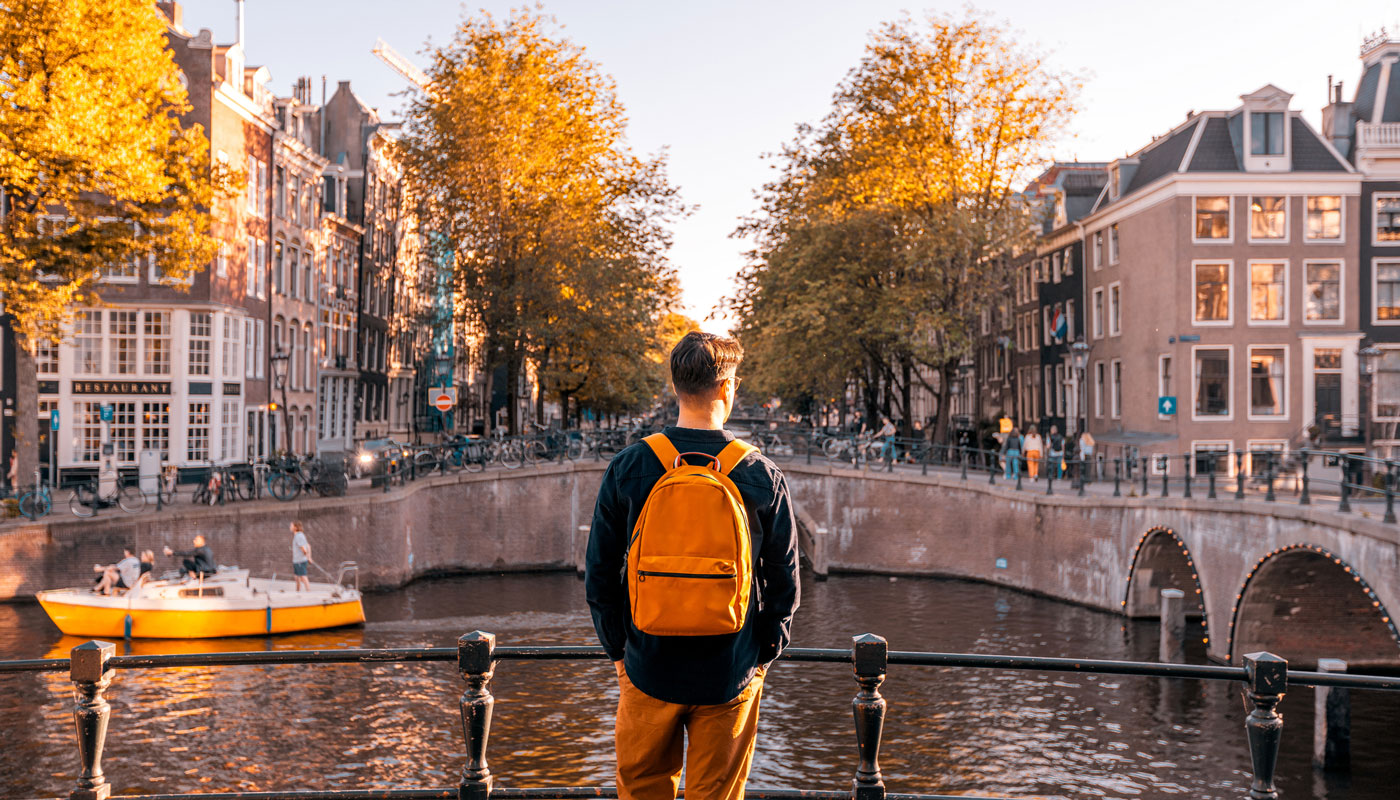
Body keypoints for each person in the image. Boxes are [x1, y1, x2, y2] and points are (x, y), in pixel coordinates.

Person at [585, 331, 800, 800]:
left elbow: (599, 573)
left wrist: (620, 652)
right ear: (728, 389)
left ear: (675, 386)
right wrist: (762, 655)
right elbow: (784, 582)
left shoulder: (630, 466)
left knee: (642, 791)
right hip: (729, 669)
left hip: (647, 665)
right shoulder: (761, 474)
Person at [290, 521, 311, 591]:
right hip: (297, 560)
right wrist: (308, 556)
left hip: (300, 561)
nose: (290, 527)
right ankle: (297, 592)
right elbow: (308, 545)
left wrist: (307, 555)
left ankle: (309, 592)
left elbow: (303, 548)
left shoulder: (298, 536)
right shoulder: (299, 535)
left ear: (295, 527)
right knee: (297, 577)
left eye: (291, 526)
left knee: (303, 577)